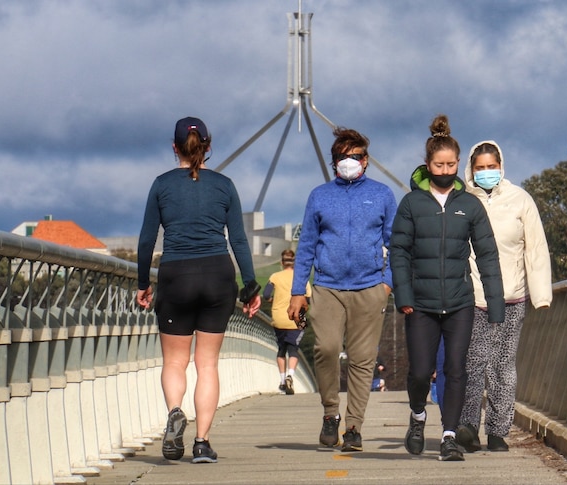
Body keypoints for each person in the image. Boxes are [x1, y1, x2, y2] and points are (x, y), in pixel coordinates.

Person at [136, 116, 261, 464]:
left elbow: (147, 239)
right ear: (208, 146)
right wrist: (250, 286)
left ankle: (176, 411)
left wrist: (144, 284)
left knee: (175, 360)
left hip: (176, 274)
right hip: (218, 275)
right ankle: (202, 443)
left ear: (174, 147)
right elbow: (238, 239)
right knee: (207, 364)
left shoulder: (161, 185)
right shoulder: (224, 185)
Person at [389, 114, 505, 462]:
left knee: (457, 370)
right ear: (427, 165)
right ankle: (417, 416)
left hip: (459, 303)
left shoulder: (469, 205)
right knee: (421, 371)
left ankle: (449, 437)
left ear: (459, 165)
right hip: (420, 305)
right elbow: (398, 251)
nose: (445, 169)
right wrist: (404, 296)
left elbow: (487, 254)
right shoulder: (412, 204)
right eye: (438, 164)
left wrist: (495, 303)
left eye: (451, 164)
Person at [287, 127, 397, 453]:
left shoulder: (383, 195)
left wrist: (387, 283)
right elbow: (306, 245)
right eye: (344, 157)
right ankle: (329, 413)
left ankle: (353, 428)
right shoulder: (319, 196)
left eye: (357, 156)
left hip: (369, 287)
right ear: (334, 161)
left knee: (363, 360)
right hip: (327, 287)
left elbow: (396, 243)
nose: (351, 162)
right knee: (327, 349)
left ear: (366, 160)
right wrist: (297, 291)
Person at [455, 140, 552, 453]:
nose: (486, 173)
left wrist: (541, 295)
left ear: (501, 166)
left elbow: (535, 248)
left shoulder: (520, 199)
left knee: (503, 366)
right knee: (472, 364)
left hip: (512, 297)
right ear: (471, 169)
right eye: (480, 168)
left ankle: (498, 431)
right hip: (474, 298)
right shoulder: (463, 200)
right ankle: (467, 427)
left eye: (491, 167)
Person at [263, 249, 311, 395]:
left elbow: (265, 295)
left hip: (279, 317)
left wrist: (273, 300)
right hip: (297, 317)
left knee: (281, 349)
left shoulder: (275, 276)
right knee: (293, 349)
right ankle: (291, 374)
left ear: (281, 263)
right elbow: (308, 299)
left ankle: (283, 380)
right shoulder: (301, 278)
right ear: (295, 263)